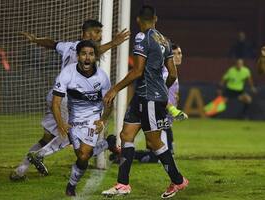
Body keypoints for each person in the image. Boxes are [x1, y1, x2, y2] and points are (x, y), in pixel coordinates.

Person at [10, 20, 129, 181]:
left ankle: (20, 171)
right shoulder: (83, 50)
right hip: (67, 100)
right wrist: (114, 43)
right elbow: (97, 51)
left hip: (56, 95)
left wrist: (36, 40)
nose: (100, 36)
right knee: (70, 135)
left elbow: (52, 44)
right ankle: (39, 155)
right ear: (87, 33)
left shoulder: (68, 45)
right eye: (97, 32)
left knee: (47, 138)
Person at [102, 5, 188, 199]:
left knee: (154, 142)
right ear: (155, 19)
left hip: (149, 98)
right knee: (126, 135)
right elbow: (173, 74)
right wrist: (163, 90)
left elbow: (138, 71)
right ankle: (123, 184)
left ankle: (178, 180)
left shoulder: (142, 37)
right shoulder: (165, 40)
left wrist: (115, 89)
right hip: (145, 97)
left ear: (138, 20)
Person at [51, 40, 112, 196]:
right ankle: (107, 144)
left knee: (84, 154)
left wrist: (103, 120)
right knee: (80, 156)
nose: (87, 58)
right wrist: (61, 124)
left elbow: (109, 102)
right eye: (84, 54)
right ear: (78, 56)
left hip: (93, 117)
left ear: (95, 57)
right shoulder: (67, 73)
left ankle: (71, 185)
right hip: (74, 119)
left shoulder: (102, 77)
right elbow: (56, 103)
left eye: (91, 54)